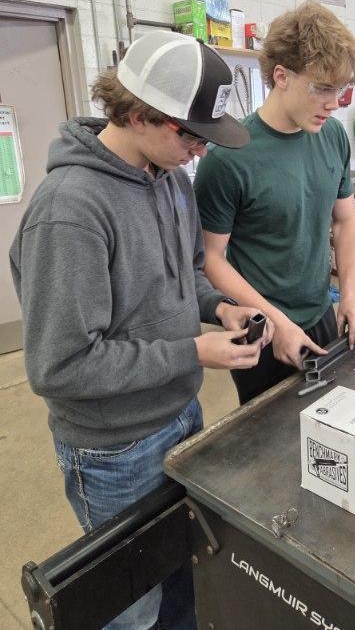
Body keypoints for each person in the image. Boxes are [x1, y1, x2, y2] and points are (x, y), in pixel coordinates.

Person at [9, 31, 272, 630]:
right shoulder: (70, 212)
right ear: (136, 114)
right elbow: (60, 366)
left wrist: (220, 309)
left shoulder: (170, 179)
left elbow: (179, 278)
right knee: (132, 610)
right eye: (192, 135)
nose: (202, 152)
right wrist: (192, 352)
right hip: (115, 450)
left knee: (186, 576)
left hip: (179, 418)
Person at [194, 1, 355, 405]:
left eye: (341, 90)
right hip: (263, 329)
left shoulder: (332, 137)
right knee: (267, 449)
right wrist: (275, 321)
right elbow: (211, 258)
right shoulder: (228, 156)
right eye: (322, 88)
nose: (333, 103)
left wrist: (352, 294)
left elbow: (345, 221)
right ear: (282, 77)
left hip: (321, 313)